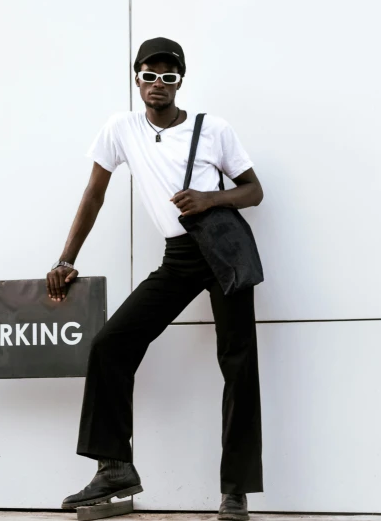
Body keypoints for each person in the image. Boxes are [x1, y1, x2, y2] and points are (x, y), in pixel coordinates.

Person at [46, 37, 264, 520]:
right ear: (137, 77)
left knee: (238, 365)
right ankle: (115, 466)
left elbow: (254, 190)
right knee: (111, 345)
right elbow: (94, 194)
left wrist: (210, 199)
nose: (158, 84)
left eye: (169, 76)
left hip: (224, 252)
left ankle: (235, 492)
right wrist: (66, 259)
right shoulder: (120, 129)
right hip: (180, 255)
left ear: (180, 81)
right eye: (149, 74)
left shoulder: (214, 129)